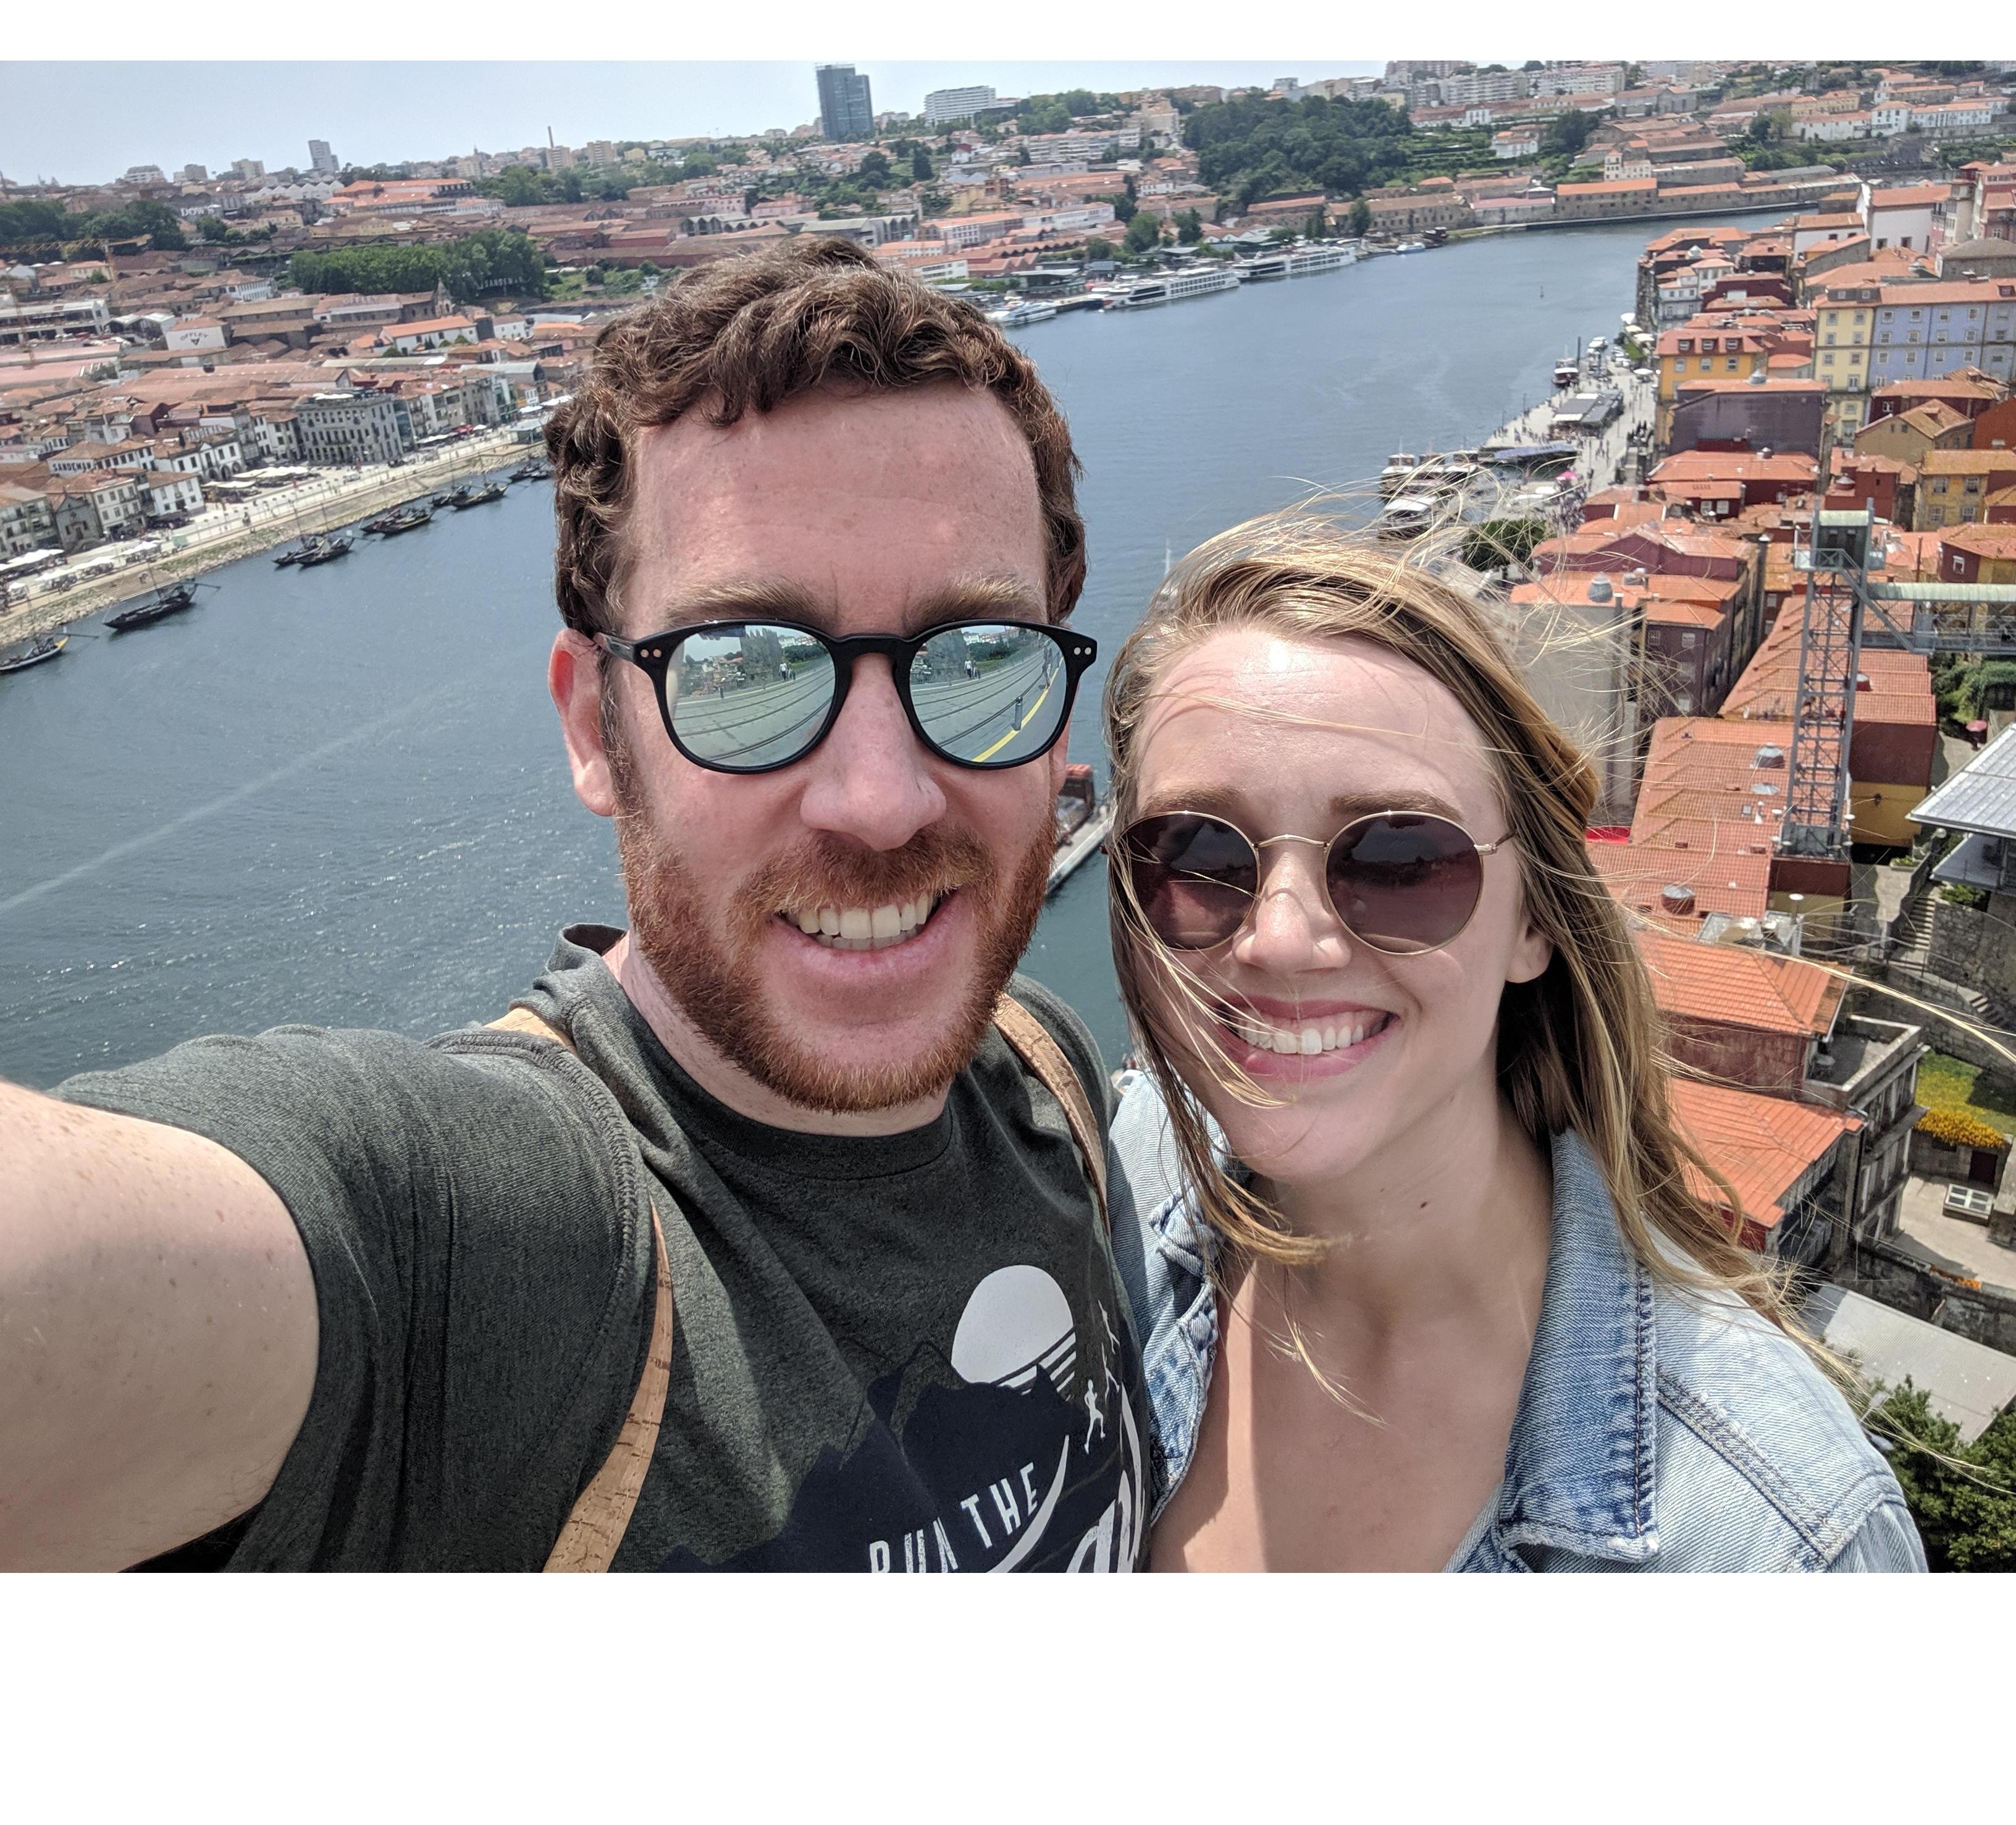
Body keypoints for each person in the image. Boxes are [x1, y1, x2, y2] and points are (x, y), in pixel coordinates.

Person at [1, 239, 1149, 1573]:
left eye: (978, 660)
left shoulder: (1049, 1075)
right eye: (743, 670)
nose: (882, 799)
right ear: (594, 730)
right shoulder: (484, 1243)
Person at [1098, 510, 1925, 1572]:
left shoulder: (1776, 1543)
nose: (1283, 938)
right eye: (1197, 854)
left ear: (1534, 916)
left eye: (1399, 856)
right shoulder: (1109, 1201)